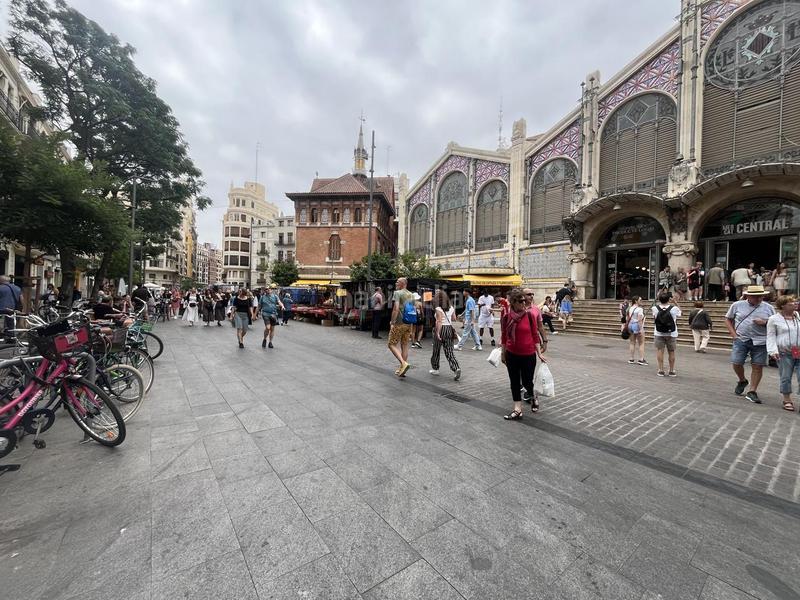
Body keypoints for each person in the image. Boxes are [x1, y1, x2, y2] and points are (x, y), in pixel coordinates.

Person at [725, 285, 775, 404]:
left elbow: (775, 323)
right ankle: (742, 380)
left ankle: (752, 391)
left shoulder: (769, 308)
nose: (758, 299)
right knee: (736, 362)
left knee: (757, 366)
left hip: (761, 340)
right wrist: (734, 335)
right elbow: (727, 319)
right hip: (741, 339)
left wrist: (765, 322)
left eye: (760, 296)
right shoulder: (737, 305)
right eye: (755, 296)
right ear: (748, 296)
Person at [501, 288, 545, 420]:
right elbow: (504, 337)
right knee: (514, 381)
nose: (524, 303)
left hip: (528, 354)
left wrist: (539, 353)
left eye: (524, 301)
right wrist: (503, 353)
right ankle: (517, 409)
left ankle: (533, 396)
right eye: (521, 301)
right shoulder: (506, 317)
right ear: (513, 302)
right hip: (511, 354)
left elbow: (534, 335)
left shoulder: (530, 316)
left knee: (527, 381)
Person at [767, 295, 800, 412]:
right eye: (791, 303)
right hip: (784, 352)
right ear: (783, 306)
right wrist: (772, 350)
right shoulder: (774, 319)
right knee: (786, 376)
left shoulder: (797, 316)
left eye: (795, 302)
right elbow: (770, 336)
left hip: (798, 350)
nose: (795, 304)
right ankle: (787, 399)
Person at [429, 289, 461, 381]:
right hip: (449, 329)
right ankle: (456, 368)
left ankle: (435, 369)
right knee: (449, 351)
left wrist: (438, 333)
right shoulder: (451, 308)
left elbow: (439, 321)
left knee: (436, 350)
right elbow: (454, 318)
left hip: (441, 329)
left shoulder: (438, 308)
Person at [388, 277, 414, 377]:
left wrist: (392, 322)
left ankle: (403, 364)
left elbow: (396, 308)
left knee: (391, 344)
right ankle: (402, 369)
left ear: (403, 283)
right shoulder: (411, 294)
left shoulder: (397, 293)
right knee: (404, 345)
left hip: (399, 322)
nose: (396, 283)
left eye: (398, 282)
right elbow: (412, 310)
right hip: (408, 323)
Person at [652, 291, 681, 377]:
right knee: (671, 351)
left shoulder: (654, 308)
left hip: (659, 332)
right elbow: (680, 313)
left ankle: (661, 370)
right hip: (671, 333)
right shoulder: (674, 308)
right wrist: (675, 302)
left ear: (659, 299)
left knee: (660, 351)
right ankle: (671, 370)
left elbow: (654, 318)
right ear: (669, 299)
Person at [258, 284, 284, 348]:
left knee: (272, 329)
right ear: (265, 291)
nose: (268, 290)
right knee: (268, 327)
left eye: (269, 289)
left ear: (271, 290)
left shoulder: (275, 296)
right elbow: (259, 306)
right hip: (265, 314)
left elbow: (279, 302)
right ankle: (264, 339)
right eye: (266, 289)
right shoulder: (262, 297)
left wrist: (282, 306)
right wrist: (255, 314)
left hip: (273, 314)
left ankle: (270, 342)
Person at [626, 296, 647, 365]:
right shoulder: (639, 309)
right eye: (640, 300)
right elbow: (639, 320)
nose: (641, 301)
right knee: (641, 343)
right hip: (637, 326)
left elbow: (628, 317)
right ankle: (641, 359)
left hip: (630, 325)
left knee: (632, 342)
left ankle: (631, 358)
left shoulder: (630, 308)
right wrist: (641, 329)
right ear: (635, 301)